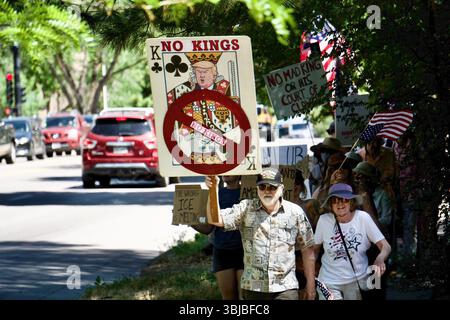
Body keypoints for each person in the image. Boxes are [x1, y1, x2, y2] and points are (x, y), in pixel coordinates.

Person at [206, 167, 316, 300]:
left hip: (285, 288)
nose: (267, 191)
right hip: (254, 288)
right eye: (262, 187)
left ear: (281, 189)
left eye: (272, 187)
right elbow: (215, 219)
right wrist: (212, 189)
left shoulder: (295, 212)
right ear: (257, 189)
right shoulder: (246, 208)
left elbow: (307, 249)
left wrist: (311, 284)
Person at [314, 183, 391, 300]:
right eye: (335, 201)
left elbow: (385, 246)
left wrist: (380, 259)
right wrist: (310, 276)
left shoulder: (363, 218)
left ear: (351, 202)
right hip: (329, 281)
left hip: (357, 281)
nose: (340, 204)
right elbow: (314, 251)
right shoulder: (324, 220)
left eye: (344, 200)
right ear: (330, 204)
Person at [167, 52, 240, 165]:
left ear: (214, 73)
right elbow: (168, 109)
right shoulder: (183, 90)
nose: (201, 75)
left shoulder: (227, 90)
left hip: (222, 149)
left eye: (205, 72)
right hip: (194, 149)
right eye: (198, 72)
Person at [191, 175, 243, 300]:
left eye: (231, 170)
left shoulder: (248, 193)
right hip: (222, 251)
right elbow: (208, 228)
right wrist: (190, 221)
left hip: (245, 251)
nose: (226, 173)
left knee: (244, 297)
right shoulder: (216, 194)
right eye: (224, 170)